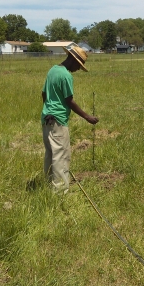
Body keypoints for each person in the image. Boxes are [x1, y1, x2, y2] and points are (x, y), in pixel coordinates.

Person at [41, 45, 98, 193]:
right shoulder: (66, 75)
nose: (78, 69)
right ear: (72, 59)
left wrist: (49, 109)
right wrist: (87, 117)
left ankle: (48, 186)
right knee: (61, 156)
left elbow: (43, 94)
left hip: (46, 119)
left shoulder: (52, 70)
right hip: (58, 121)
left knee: (50, 154)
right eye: (79, 65)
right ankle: (59, 192)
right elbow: (69, 101)